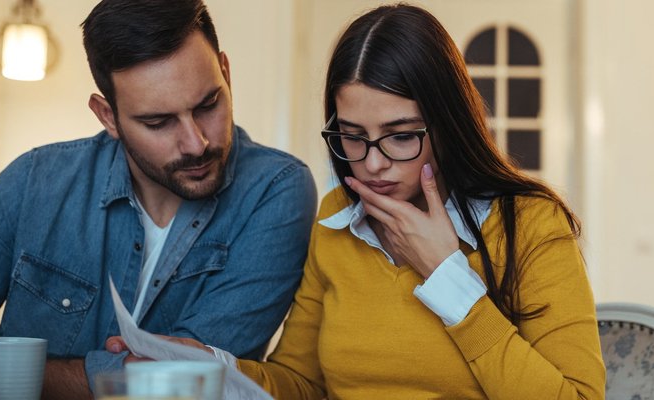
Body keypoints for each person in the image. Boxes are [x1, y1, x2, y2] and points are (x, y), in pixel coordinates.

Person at [108, 4, 606, 399]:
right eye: (352, 136)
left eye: (400, 135)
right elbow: (301, 386)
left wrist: (447, 277)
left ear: (448, 125)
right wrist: (211, 368)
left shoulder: (530, 224)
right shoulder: (336, 217)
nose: (371, 164)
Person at [0, 0, 317, 398]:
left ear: (226, 74)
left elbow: (187, 386)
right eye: (157, 122)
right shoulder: (34, 180)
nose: (196, 143)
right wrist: (118, 372)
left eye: (208, 104)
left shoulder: (276, 189)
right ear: (107, 116)